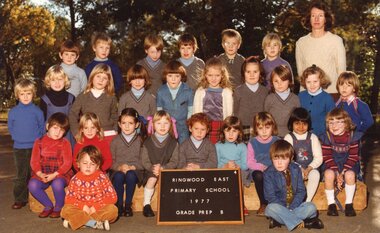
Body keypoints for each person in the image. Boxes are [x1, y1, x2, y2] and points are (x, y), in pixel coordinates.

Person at [264, 140, 324, 231]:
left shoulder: (296, 169)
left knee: (311, 207)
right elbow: (270, 196)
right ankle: (305, 223)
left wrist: (292, 208)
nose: (279, 163)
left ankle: (280, 221)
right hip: (279, 206)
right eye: (276, 159)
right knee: (269, 209)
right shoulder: (268, 173)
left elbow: (301, 191)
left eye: (283, 159)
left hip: (295, 206)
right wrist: (284, 209)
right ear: (271, 158)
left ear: (291, 158)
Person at [296, 0, 346, 97]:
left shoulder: (336, 41)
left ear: (326, 19)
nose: (316, 19)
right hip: (307, 95)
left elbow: (342, 72)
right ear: (309, 19)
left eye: (320, 15)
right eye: (313, 15)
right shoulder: (301, 43)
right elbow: (301, 73)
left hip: (331, 94)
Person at [61, 145, 118, 231]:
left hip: (98, 209)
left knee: (113, 210)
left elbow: (112, 197)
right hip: (81, 209)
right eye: (85, 163)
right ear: (78, 163)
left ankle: (79, 222)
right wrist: (83, 206)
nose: (88, 166)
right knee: (65, 210)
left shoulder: (102, 177)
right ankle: (93, 223)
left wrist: (96, 207)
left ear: (97, 166)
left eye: (92, 164)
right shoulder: (75, 179)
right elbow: (69, 199)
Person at [8, 79, 45, 210]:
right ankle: (20, 199)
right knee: (21, 175)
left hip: (35, 147)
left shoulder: (37, 111)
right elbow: (11, 127)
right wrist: (17, 138)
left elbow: (42, 128)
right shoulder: (13, 112)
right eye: (22, 94)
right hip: (19, 148)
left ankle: (35, 198)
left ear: (33, 94)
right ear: (17, 95)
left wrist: (38, 140)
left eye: (28, 93)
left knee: (34, 174)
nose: (25, 96)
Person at [28, 112, 73, 218]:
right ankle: (48, 205)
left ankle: (59, 206)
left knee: (57, 184)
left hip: (60, 174)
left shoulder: (65, 143)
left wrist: (54, 175)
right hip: (42, 173)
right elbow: (34, 161)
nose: (58, 132)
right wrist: (40, 174)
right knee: (32, 185)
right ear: (48, 126)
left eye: (62, 130)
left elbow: (67, 163)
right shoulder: (38, 142)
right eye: (55, 128)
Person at [319, 108, 362, 217]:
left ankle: (349, 204)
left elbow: (353, 156)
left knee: (350, 175)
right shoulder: (326, 137)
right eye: (331, 122)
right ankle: (331, 204)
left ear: (347, 123)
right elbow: (327, 156)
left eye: (339, 122)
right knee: (329, 174)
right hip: (332, 163)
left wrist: (342, 172)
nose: (334, 125)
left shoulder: (353, 136)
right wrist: (336, 172)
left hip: (349, 163)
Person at [141, 110, 179, 217]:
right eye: (159, 123)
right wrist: (153, 168)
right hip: (151, 170)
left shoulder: (174, 142)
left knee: (172, 180)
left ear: (170, 125)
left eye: (165, 123)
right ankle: (146, 204)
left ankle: (170, 205)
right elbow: (144, 160)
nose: (162, 126)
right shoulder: (147, 142)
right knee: (152, 179)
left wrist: (163, 168)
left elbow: (175, 161)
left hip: (167, 170)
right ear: (153, 125)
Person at [69, 63, 118, 145]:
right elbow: (73, 114)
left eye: (104, 78)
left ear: (108, 81)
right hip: (88, 134)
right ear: (92, 77)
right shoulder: (83, 96)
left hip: (107, 134)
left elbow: (115, 115)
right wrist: (76, 132)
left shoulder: (111, 97)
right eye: (98, 76)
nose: (101, 80)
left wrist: (115, 129)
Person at [110, 108, 147, 217]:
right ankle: (119, 205)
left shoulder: (141, 140)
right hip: (118, 170)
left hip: (135, 170)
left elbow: (144, 161)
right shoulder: (115, 141)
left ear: (136, 125)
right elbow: (111, 161)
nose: (126, 126)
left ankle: (128, 205)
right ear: (119, 124)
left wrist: (133, 167)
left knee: (130, 175)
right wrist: (119, 167)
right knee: (119, 177)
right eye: (124, 123)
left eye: (130, 123)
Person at [284, 108, 322, 202]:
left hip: (311, 167)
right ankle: (297, 200)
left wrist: (309, 168)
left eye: (304, 123)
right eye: (297, 123)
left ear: (308, 124)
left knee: (315, 174)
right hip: (295, 168)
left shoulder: (313, 137)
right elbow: (287, 158)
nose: (301, 127)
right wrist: (300, 168)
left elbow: (319, 157)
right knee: (295, 174)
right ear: (291, 123)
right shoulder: (288, 138)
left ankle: (307, 201)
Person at [247, 112, 280, 216]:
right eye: (261, 128)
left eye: (267, 127)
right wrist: (260, 167)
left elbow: (281, 157)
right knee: (258, 175)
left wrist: (272, 168)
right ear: (256, 129)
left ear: (272, 127)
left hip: (273, 169)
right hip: (258, 171)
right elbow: (249, 162)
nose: (264, 131)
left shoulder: (277, 141)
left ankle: (277, 203)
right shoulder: (252, 142)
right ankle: (263, 203)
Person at [193, 57, 233, 144]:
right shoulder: (200, 91)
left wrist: (227, 127)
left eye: (217, 75)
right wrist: (198, 126)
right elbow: (196, 111)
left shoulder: (226, 92)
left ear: (222, 75)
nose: (213, 78)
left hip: (221, 126)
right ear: (205, 75)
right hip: (204, 126)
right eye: (210, 75)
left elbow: (229, 113)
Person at [215, 116, 248, 215]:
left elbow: (245, 165)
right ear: (223, 132)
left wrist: (237, 166)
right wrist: (225, 167)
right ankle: (222, 203)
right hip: (222, 170)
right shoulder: (218, 145)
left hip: (238, 171)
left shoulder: (242, 146)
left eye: (234, 131)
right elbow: (215, 164)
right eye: (227, 131)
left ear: (239, 133)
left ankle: (240, 203)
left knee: (240, 174)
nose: (230, 134)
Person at [157, 60, 193, 143]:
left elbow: (191, 110)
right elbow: (159, 111)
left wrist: (188, 124)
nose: (173, 79)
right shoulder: (161, 91)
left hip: (183, 127)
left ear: (182, 76)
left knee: (183, 147)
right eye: (170, 76)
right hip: (167, 127)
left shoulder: (188, 91)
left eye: (177, 76)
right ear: (165, 76)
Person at [233, 56, 269, 142]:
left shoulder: (265, 91)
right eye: (248, 72)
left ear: (260, 73)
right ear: (243, 73)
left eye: (255, 72)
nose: (251, 75)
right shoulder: (238, 91)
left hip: (261, 128)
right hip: (243, 128)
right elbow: (235, 111)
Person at [40, 65, 76, 148]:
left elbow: (75, 120)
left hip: (68, 138)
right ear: (48, 81)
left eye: (60, 79)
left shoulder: (71, 98)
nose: (57, 83)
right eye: (53, 80)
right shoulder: (45, 99)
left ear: (65, 80)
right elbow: (42, 122)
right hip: (50, 139)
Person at [298, 65, 335, 136]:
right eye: (308, 82)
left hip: (322, 135)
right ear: (304, 82)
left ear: (321, 81)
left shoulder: (327, 98)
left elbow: (332, 118)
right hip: (302, 134)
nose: (312, 85)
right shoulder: (300, 96)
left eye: (315, 81)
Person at [264, 65, 300, 137]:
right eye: (276, 81)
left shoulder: (295, 99)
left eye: (283, 80)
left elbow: (297, 119)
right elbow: (265, 118)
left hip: (291, 135)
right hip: (273, 135)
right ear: (272, 82)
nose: (279, 84)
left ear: (289, 81)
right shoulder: (269, 98)